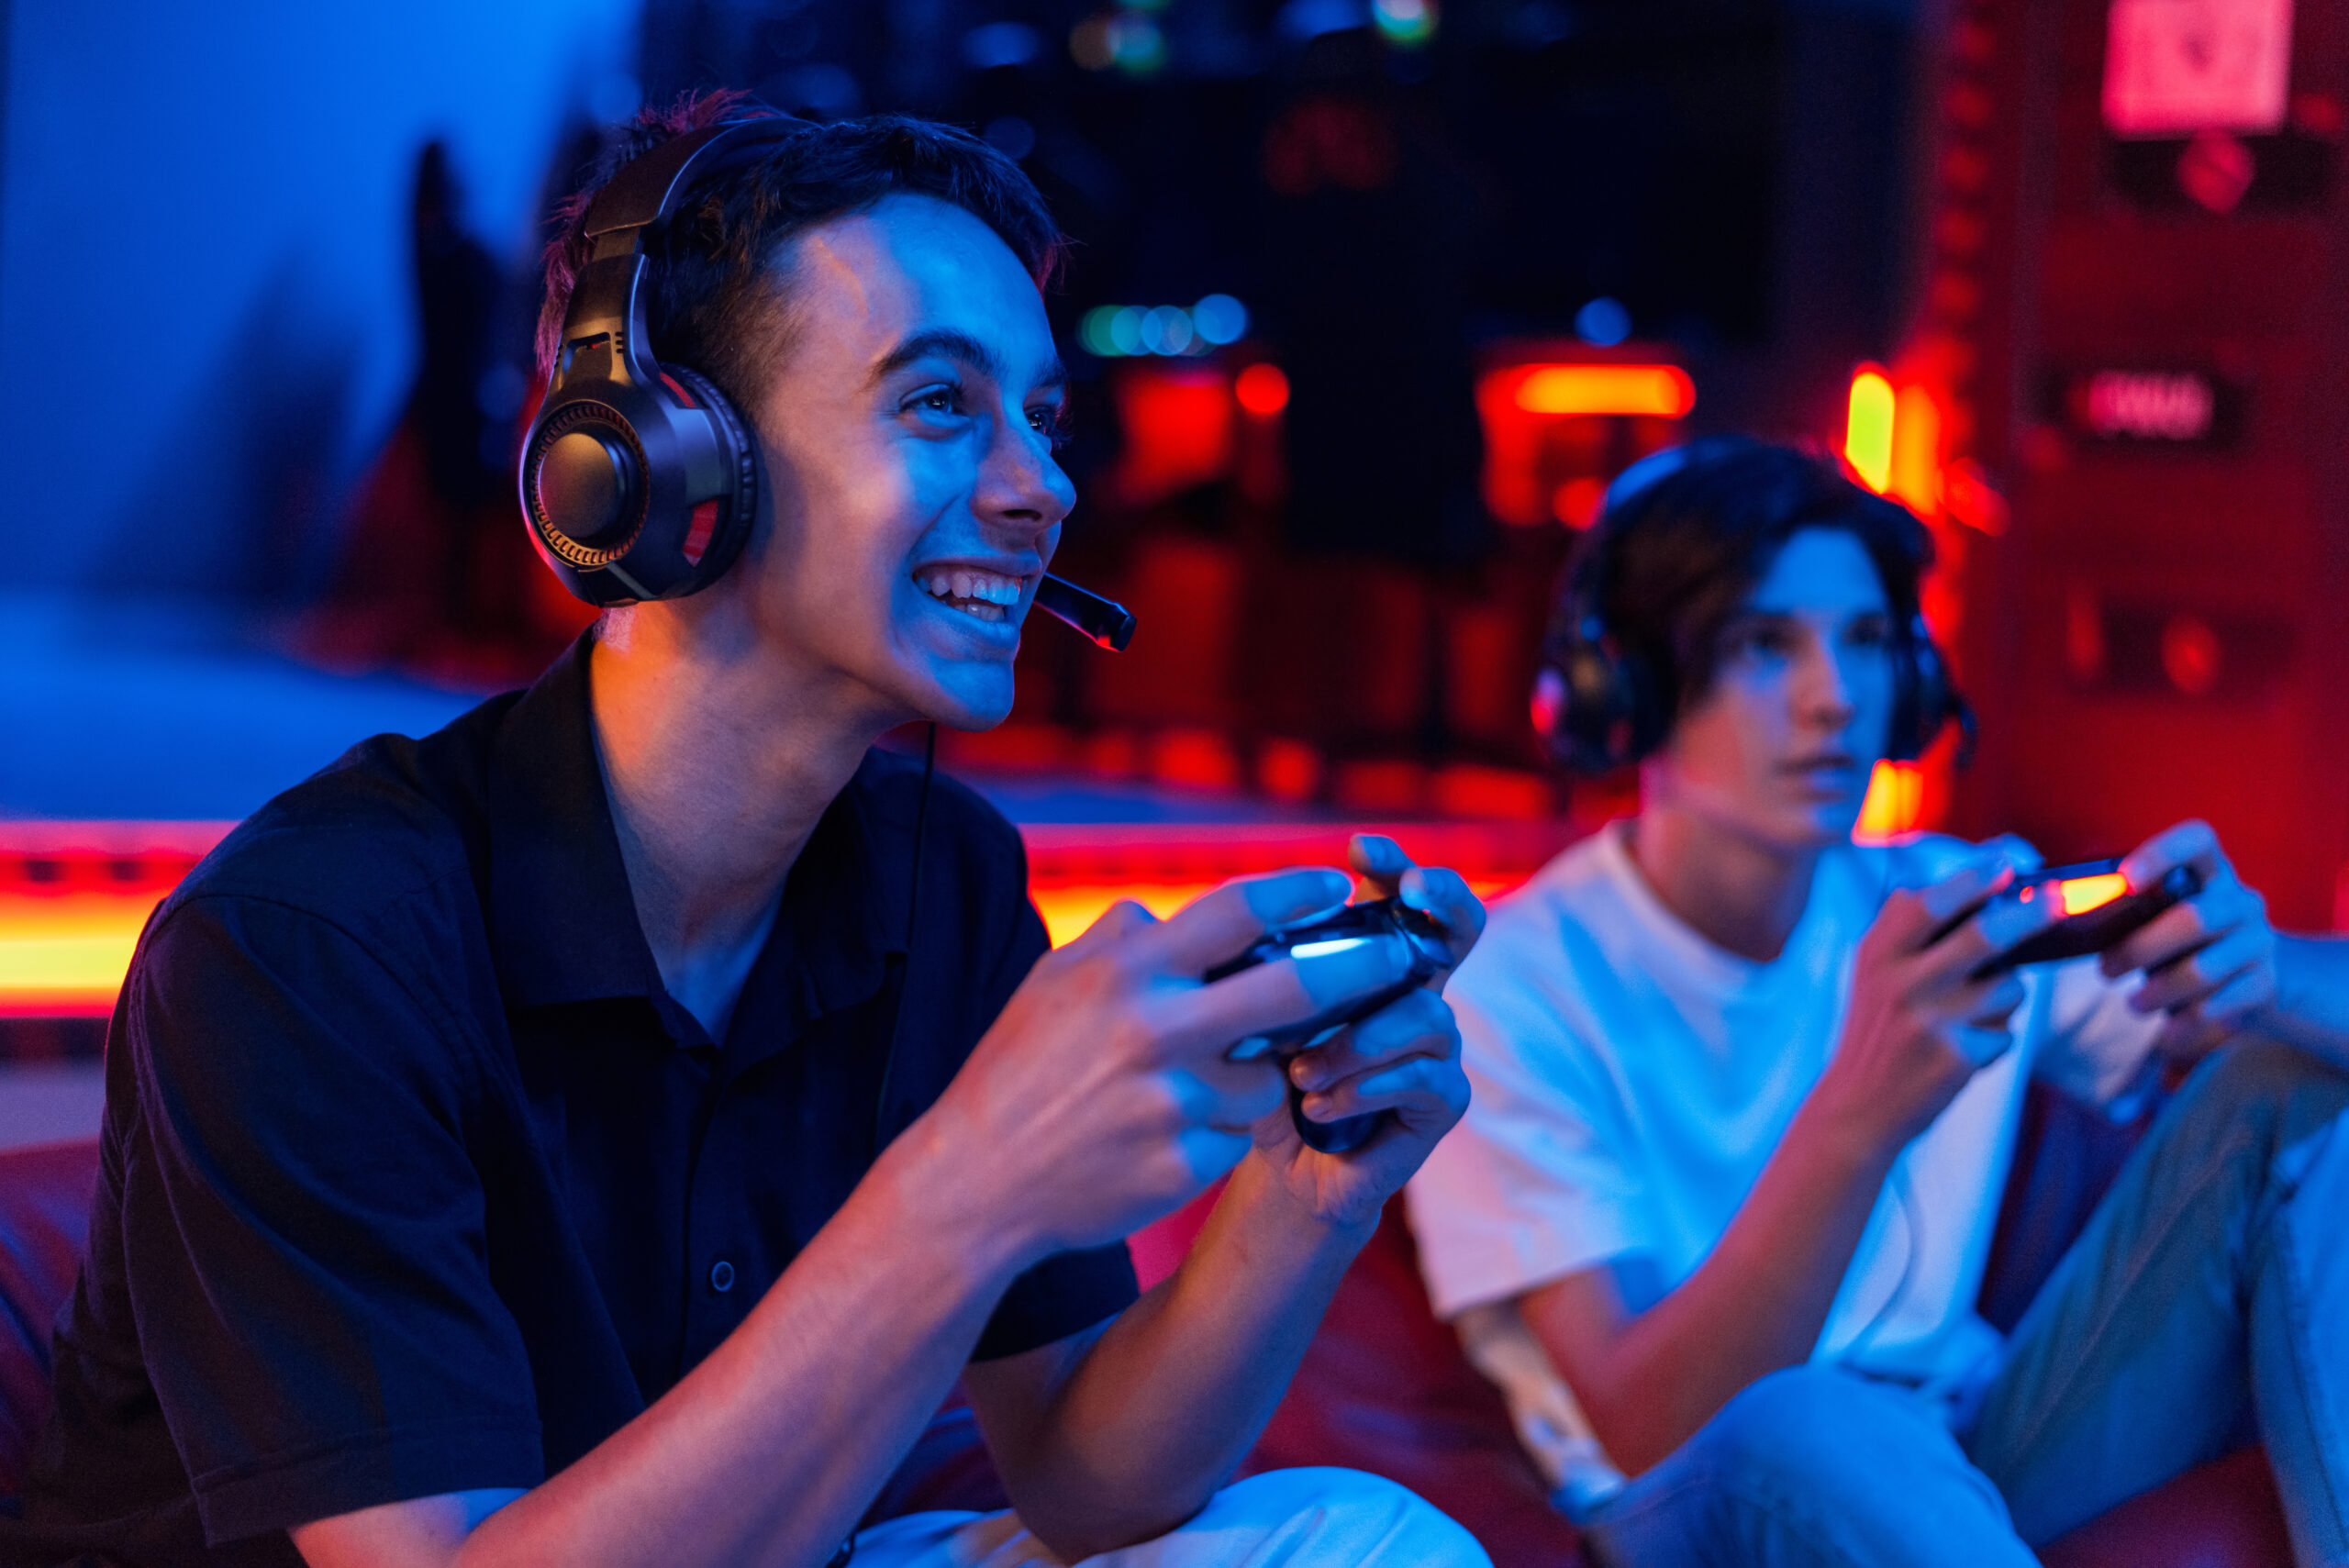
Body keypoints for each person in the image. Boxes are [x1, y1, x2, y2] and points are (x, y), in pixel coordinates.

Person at [16, 99, 1493, 1568]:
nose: (1043, 487)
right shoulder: (310, 941)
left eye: (1039, 418)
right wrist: (963, 1192)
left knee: (1360, 1540)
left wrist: (1306, 1196)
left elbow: (1086, 1483)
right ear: (658, 466)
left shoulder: (943, 877)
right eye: (936, 405)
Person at [1403, 438, 2349, 1566]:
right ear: (1631, 684)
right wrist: (1860, 1113)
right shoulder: (1513, 983)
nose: (1832, 698)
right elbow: (1646, 1425)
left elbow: (2280, 1050)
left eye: (1864, 643)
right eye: (1765, 645)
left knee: (2293, 1074)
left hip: (1966, 1456)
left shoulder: (1950, 898)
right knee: (1818, 1412)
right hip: (1689, 1504)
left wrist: (2262, 969)